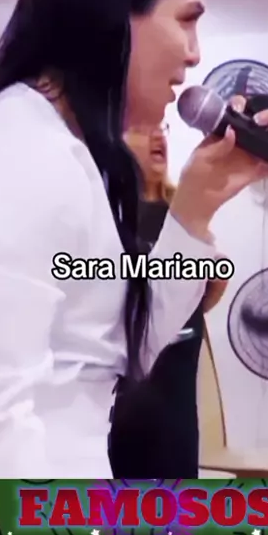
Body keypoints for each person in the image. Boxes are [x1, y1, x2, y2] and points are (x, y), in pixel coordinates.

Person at [0, 0, 268, 478]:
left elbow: (127, 347)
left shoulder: (62, 149)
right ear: (113, 14)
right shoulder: (21, 156)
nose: (195, 54)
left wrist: (197, 205)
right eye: (186, 19)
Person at [109, 122, 227, 478]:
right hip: (121, 413)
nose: (158, 136)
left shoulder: (183, 213)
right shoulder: (109, 214)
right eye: (144, 129)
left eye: (162, 128)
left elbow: (208, 287)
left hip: (176, 409)